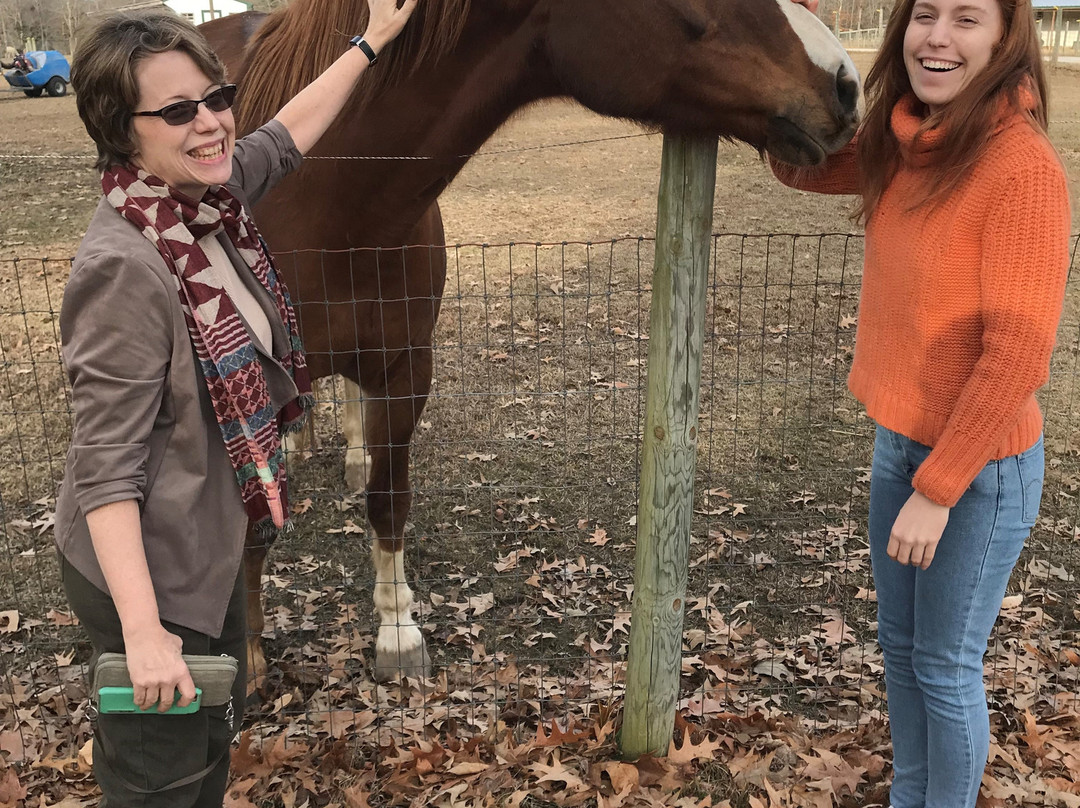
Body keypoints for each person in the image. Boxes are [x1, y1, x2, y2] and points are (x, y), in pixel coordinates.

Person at [55, 0, 416, 804]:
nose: (212, 123)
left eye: (217, 97)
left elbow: (287, 133)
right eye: (178, 110)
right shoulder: (124, 267)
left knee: (207, 745)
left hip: (207, 541)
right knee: (163, 778)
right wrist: (145, 636)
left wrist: (371, 41)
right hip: (152, 569)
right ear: (123, 130)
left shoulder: (205, 204)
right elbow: (104, 469)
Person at [776, 0, 1070, 805]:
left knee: (944, 665)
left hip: (977, 471)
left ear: (1007, 39)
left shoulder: (1022, 168)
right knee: (902, 651)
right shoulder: (905, 140)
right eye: (925, 14)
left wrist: (939, 490)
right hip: (898, 445)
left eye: (966, 19)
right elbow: (797, 164)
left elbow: (1016, 356)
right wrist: (780, 31)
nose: (937, 37)